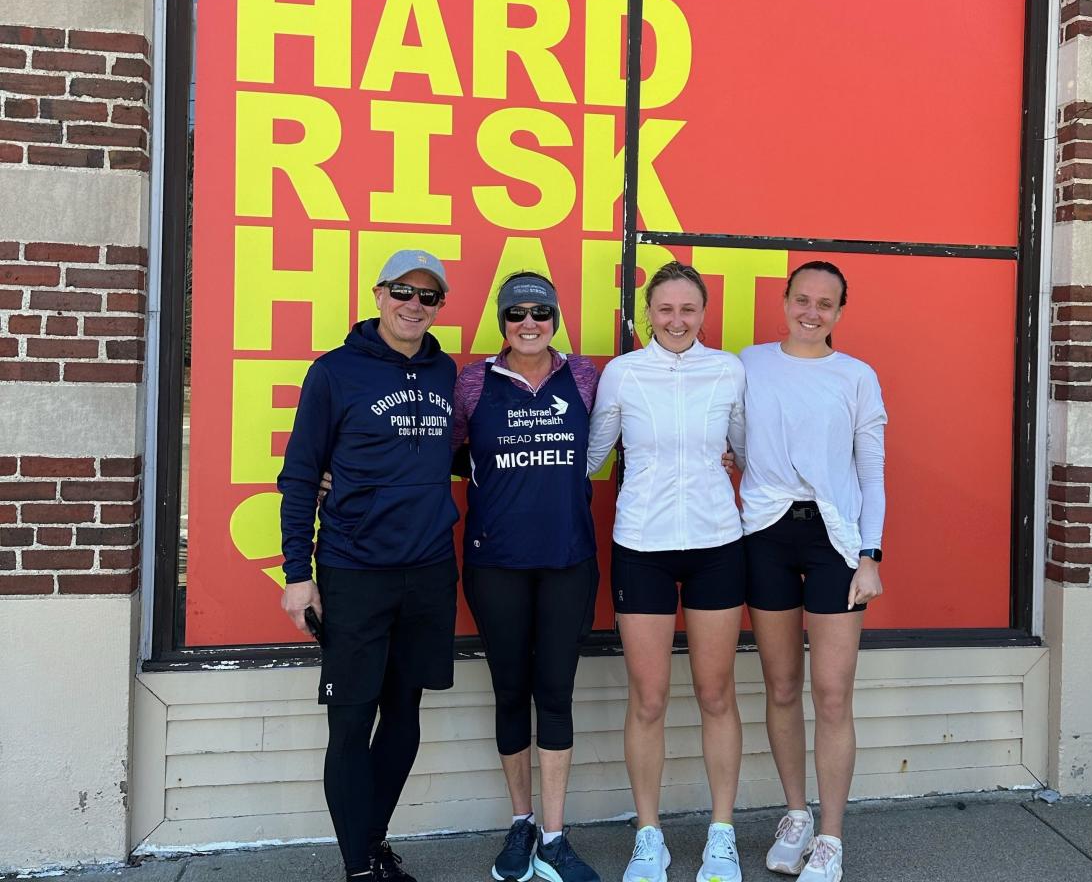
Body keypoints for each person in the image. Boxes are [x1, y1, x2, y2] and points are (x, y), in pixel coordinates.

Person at [277, 249, 459, 882]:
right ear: (379, 295)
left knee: (403, 716)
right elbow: (300, 476)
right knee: (352, 720)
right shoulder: (334, 373)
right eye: (403, 292)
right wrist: (297, 575)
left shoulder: (445, 373)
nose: (414, 305)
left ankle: (370, 844)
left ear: (440, 307)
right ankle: (359, 866)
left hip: (431, 569)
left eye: (428, 297)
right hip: (355, 570)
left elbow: (457, 451)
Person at [587, 261, 747, 882]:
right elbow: (593, 454)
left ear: (703, 314)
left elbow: (747, 449)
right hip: (642, 545)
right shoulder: (623, 375)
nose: (676, 321)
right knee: (649, 699)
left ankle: (722, 835)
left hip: (715, 543)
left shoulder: (728, 370)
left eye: (687, 310)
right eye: (664, 310)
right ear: (644, 315)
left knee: (715, 693)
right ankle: (648, 835)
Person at [452, 272, 602, 882]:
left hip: (569, 560)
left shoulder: (588, 378)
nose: (530, 323)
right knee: (511, 691)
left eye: (542, 311)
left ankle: (554, 836)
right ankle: (520, 824)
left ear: (557, 317)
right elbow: (446, 453)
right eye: (517, 314)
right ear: (502, 321)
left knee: (555, 693)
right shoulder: (471, 382)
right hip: (496, 563)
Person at [740, 261, 887, 882]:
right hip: (765, 536)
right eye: (802, 299)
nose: (812, 311)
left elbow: (871, 469)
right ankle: (796, 814)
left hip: (836, 541)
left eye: (826, 304)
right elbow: (734, 438)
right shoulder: (747, 363)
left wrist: (871, 554)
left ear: (839, 312)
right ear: (784, 301)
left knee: (831, 694)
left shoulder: (856, 377)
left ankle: (829, 837)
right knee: (780, 686)